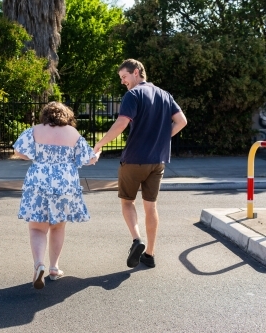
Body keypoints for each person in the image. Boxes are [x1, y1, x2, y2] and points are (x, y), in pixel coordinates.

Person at [93, 59, 187, 269]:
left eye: (124, 77)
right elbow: (182, 121)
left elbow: (121, 123)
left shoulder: (133, 95)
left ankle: (137, 240)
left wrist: (99, 145)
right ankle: (150, 255)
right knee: (151, 206)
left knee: (127, 202)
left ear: (136, 73)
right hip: (158, 161)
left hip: (134, 159)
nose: (123, 82)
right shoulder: (165, 95)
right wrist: (163, 138)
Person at [13, 101, 99, 289]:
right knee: (58, 227)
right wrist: (97, 154)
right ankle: (54, 267)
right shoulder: (72, 133)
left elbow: (18, 150)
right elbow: (89, 158)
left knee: (37, 228)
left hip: (39, 180)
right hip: (65, 183)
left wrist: (35, 156)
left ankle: (39, 264)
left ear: (45, 115)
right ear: (67, 116)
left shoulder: (35, 130)